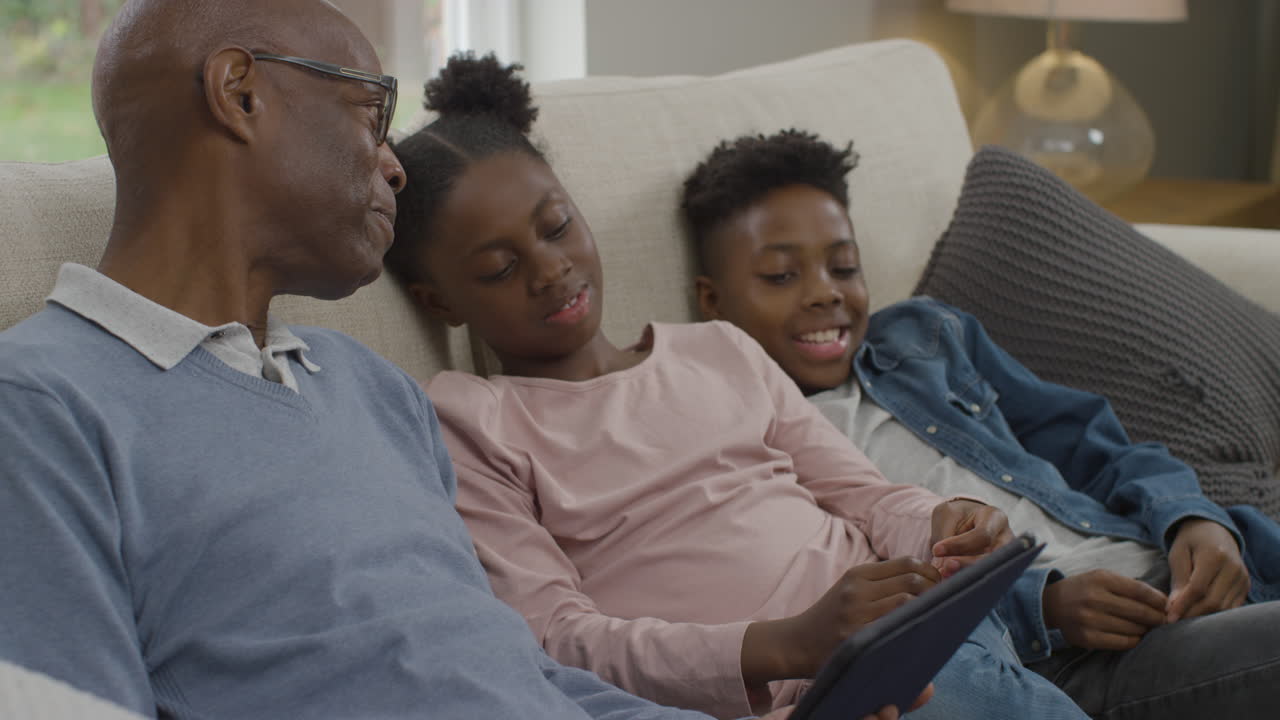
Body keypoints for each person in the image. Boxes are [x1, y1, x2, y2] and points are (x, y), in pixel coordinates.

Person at [0, 2, 737, 719]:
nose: (395, 167)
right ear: (241, 94)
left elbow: (523, 676)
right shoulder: (38, 405)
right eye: (371, 114)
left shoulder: (374, 387)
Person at [390, 53, 1091, 720]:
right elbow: (559, 640)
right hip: (811, 690)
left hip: (917, 634)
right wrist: (785, 643)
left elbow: (867, 498)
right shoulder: (471, 421)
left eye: (557, 227)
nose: (549, 270)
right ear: (440, 301)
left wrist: (945, 521)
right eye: (498, 268)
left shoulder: (719, 350)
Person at [680, 128, 1280, 719]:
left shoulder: (925, 338)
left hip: (1178, 567)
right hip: (1066, 658)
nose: (824, 294)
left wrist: (1193, 519)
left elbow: (1099, 443)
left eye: (843, 267)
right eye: (782, 277)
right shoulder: (744, 442)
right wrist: (1047, 608)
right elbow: (866, 602)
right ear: (712, 301)